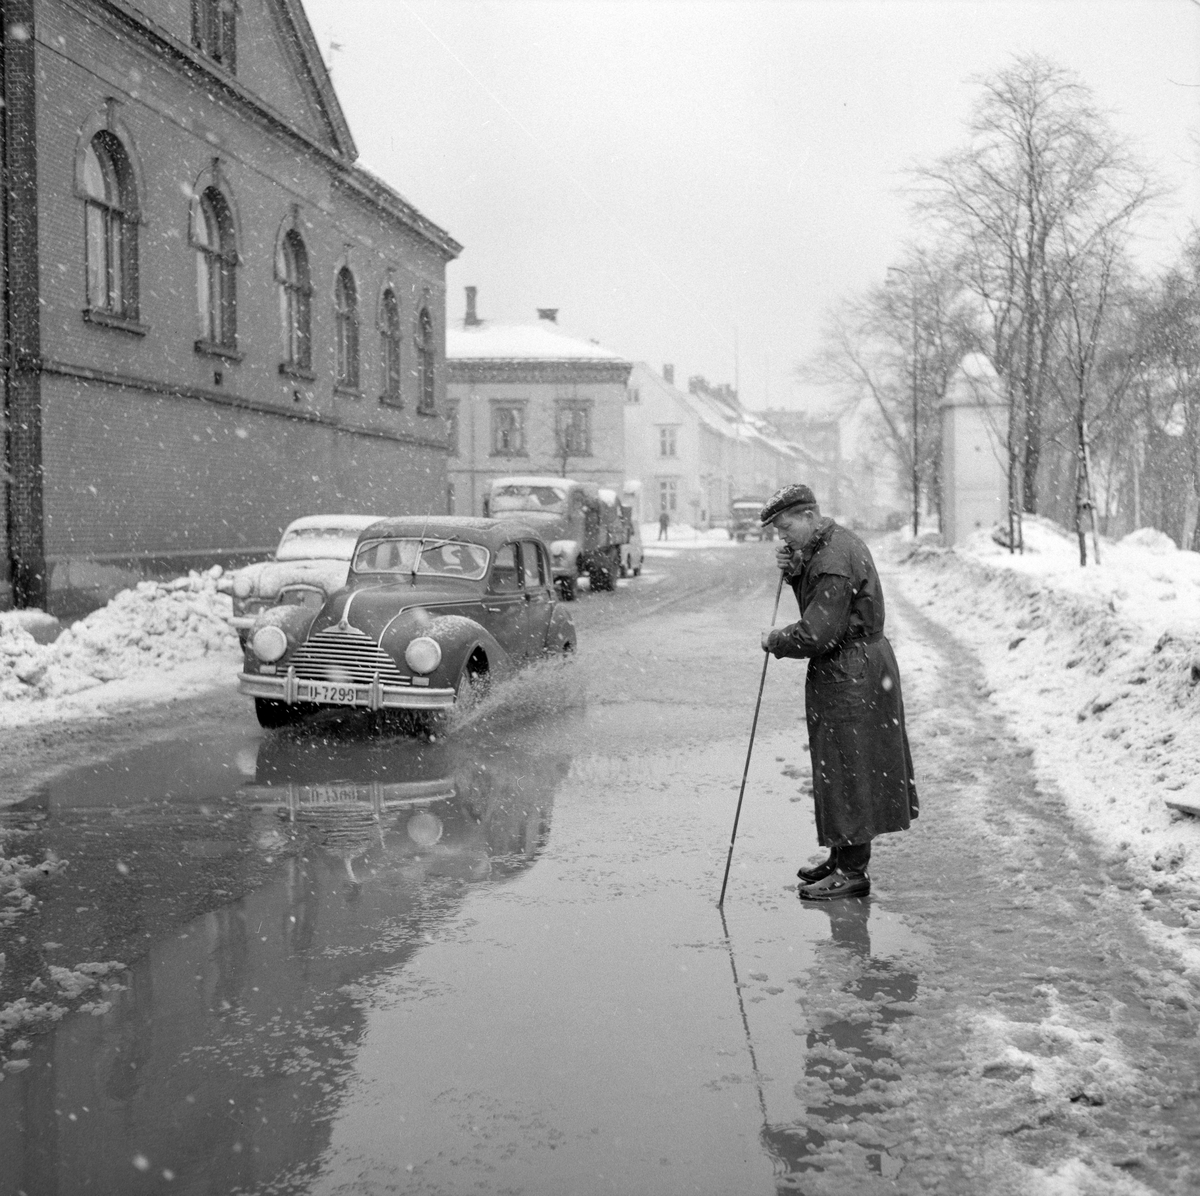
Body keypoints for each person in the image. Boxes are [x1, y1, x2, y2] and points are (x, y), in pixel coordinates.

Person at [758, 484, 917, 900]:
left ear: (809, 516)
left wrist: (776, 640)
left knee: (849, 766)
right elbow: (823, 607)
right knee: (841, 763)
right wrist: (796, 572)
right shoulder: (830, 545)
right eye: (777, 530)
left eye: (785, 527)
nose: (782, 536)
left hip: (850, 670)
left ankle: (852, 872)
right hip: (853, 665)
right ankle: (841, 855)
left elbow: (817, 632)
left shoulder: (832, 559)